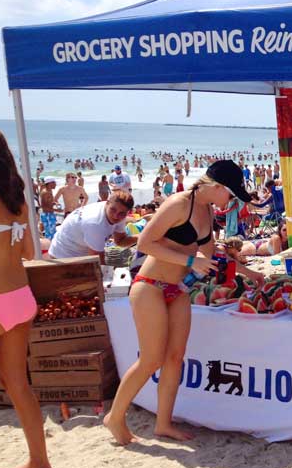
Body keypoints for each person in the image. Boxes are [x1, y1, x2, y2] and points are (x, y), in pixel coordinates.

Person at [104, 160, 254, 445]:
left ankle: (163, 424)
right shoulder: (179, 203)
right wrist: (188, 260)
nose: (230, 200)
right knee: (151, 359)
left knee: (175, 358)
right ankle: (114, 416)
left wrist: (250, 273)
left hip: (177, 290)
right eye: (230, 194)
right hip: (150, 287)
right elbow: (145, 243)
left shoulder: (207, 211)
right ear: (217, 186)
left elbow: (211, 258)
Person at [0, 130, 51, 468]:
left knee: (16, 384)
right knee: (18, 385)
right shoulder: (17, 201)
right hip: (20, 298)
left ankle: (39, 461)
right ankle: (39, 461)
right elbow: (30, 252)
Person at [48, 192, 137, 262]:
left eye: (122, 213)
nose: (116, 216)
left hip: (84, 252)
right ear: (107, 203)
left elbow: (120, 241)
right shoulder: (95, 223)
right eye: (113, 210)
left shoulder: (117, 210)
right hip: (63, 256)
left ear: (128, 212)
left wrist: (142, 236)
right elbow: (97, 261)